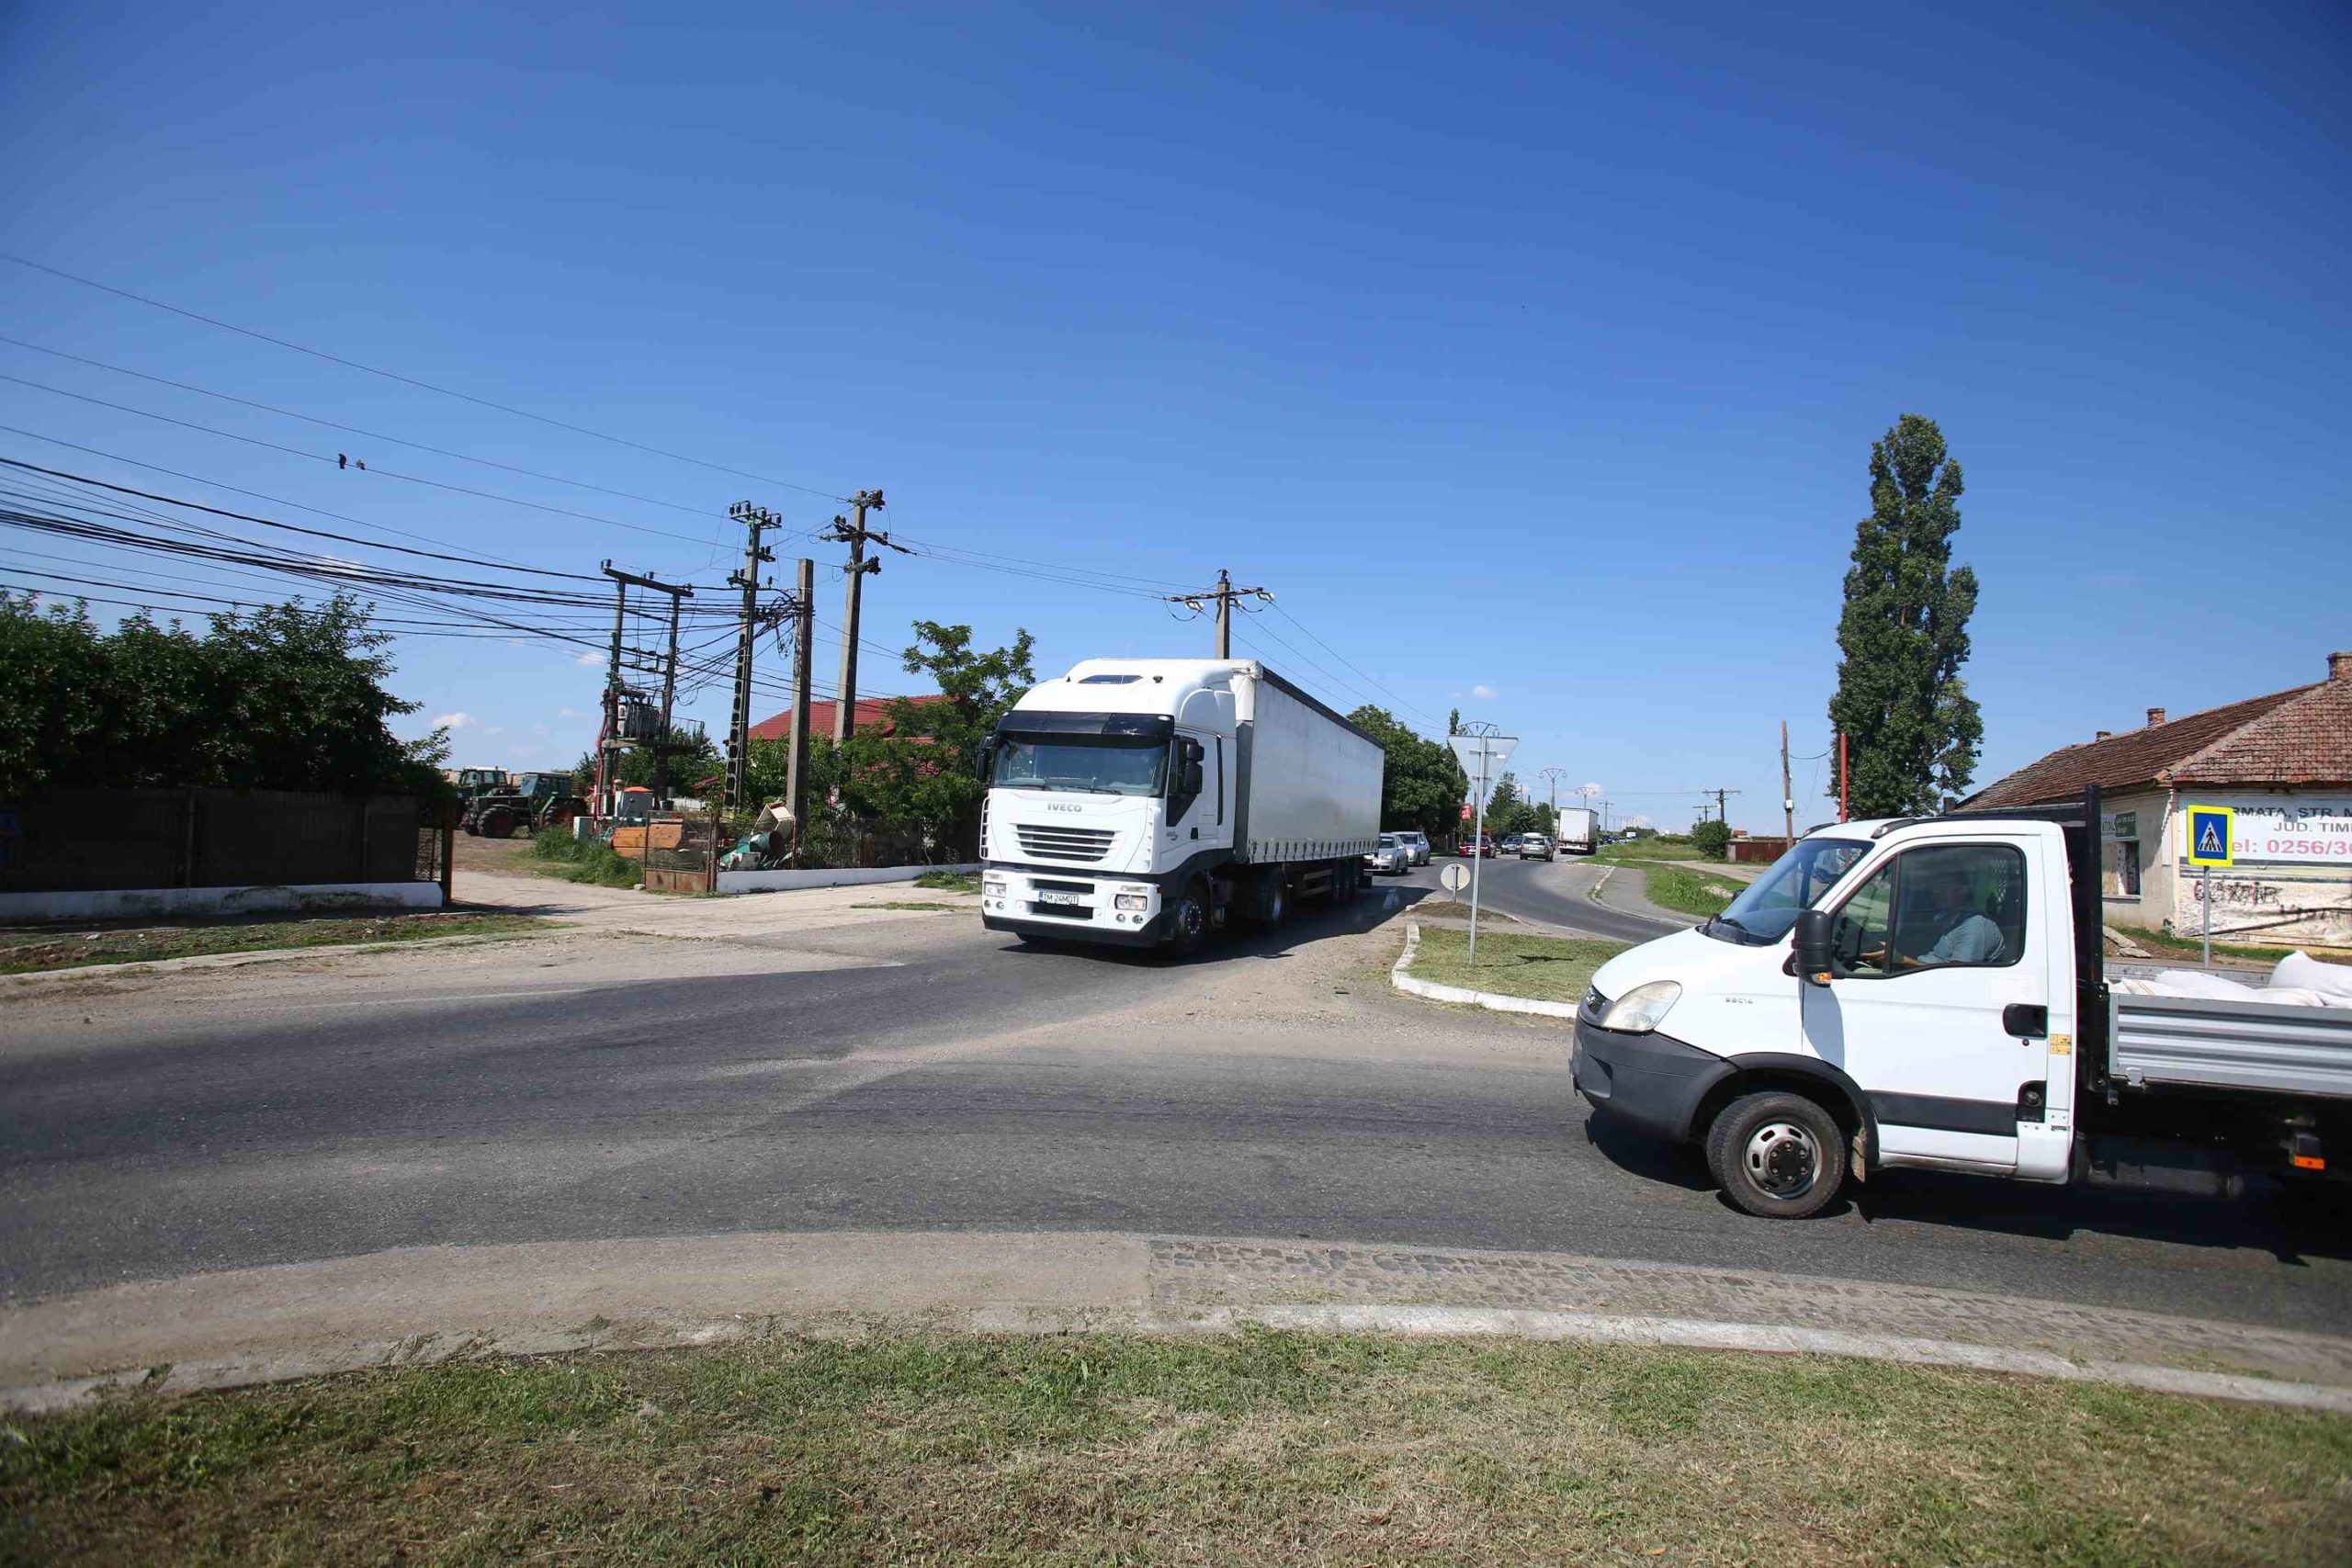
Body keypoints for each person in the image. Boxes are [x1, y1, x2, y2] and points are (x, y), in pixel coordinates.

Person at [1913, 874, 2007, 965]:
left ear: (1963, 890)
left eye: (1944, 885)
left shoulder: (1975, 924)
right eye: (1934, 886)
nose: (1937, 891)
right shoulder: (1944, 916)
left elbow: (1958, 972)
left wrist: (1906, 961)